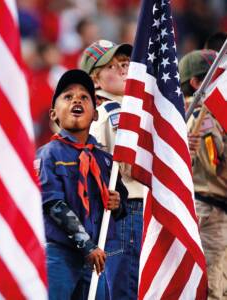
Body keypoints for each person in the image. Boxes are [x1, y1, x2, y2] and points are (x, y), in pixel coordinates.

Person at [36, 69, 128, 299]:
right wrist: (87, 246)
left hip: (96, 259)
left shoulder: (105, 159)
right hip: (59, 255)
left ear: (95, 115)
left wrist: (118, 203)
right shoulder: (48, 154)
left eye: (84, 97)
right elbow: (54, 204)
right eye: (68, 97)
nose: (76, 99)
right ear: (53, 114)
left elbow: (120, 203)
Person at [79, 39, 144, 300]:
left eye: (125, 63)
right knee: (126, 287)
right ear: (95, 79)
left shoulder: (123, 110)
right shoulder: (112, 113)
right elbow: (130, 165)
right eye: (112, 65)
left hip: (126, 210)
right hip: (128, 211)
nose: (123, 69)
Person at [179, 49, 227, 300]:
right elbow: (214, 164)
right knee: (213, 289)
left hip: (212, 211)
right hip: (209, 212)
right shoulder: (203, 117)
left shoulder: (180, 116)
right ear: (198, 83)